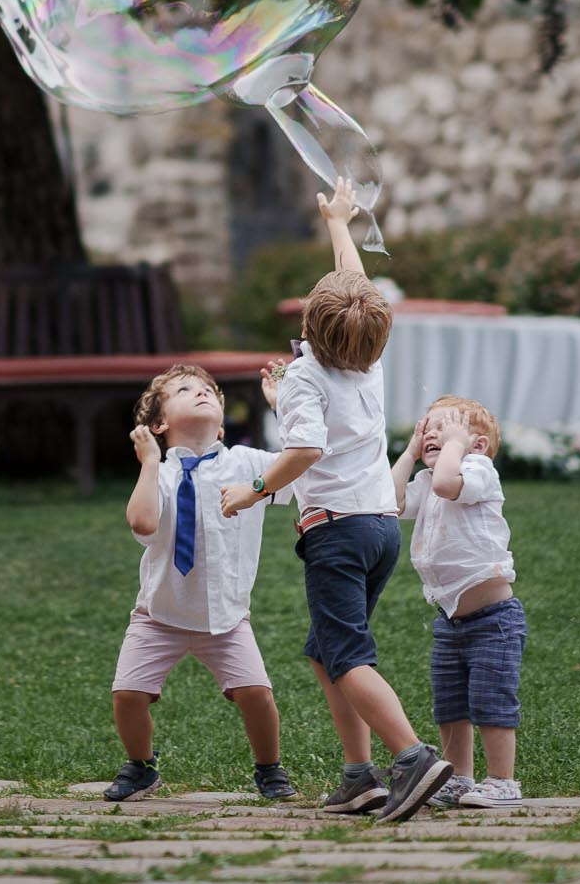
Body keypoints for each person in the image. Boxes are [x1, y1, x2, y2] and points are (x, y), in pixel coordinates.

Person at [219, 177, 452, 825]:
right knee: (327, 650)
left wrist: (255, 488)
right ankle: (359, 776)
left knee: (347, 656)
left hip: (336, 532)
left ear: (306, 327)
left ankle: (411, 758)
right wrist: (339, 223)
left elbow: (305, 452)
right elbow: (354, 287)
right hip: (380, 528)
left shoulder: (303, 373)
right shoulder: (365, 359)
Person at [103, 365, 295, 803]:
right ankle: (142, 766)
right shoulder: (161, 473)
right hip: (159, 614)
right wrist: (150, 462)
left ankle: (269, 768)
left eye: (209, 390)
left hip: (226, 616)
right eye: (186, 390)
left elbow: (300, 462)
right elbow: (142, 521)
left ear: (223, 423)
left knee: (256, 694)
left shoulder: (247, 463)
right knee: (128, 694)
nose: (202, 393)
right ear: (159, 424)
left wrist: (283, 406)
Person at [392, 395, 524, 810]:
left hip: (494, 619)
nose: (433, 433)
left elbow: (450, 485)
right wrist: (411, 454)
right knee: (450, 702)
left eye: (445, 427)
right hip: (450, 620)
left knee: (491, 698)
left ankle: (503, 780)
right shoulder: (429, 479)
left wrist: (452, 448)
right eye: (427, 427)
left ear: (478, 445)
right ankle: (459, 777)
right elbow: (391, 502)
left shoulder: (478, 470)